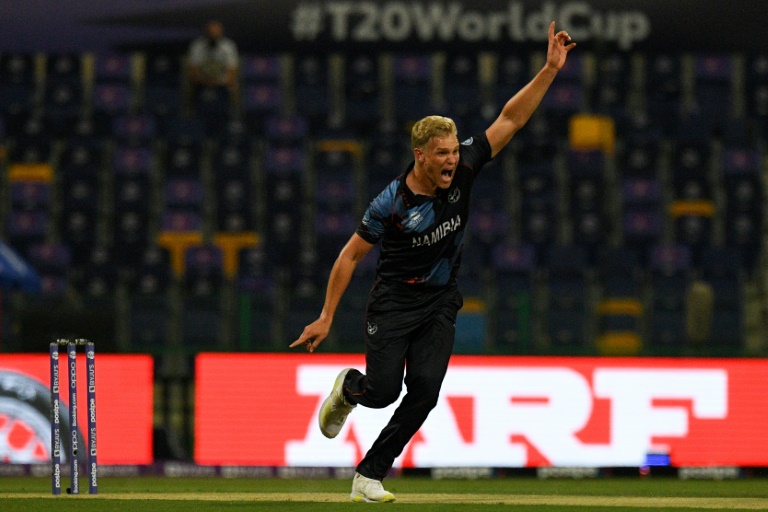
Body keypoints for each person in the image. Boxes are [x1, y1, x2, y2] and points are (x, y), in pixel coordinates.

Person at [290, 22, 575, 503]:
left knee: (424, 391)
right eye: (441, 153)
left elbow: (510, 120)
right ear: (420, 155)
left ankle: (369, 475)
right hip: (393, 304)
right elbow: (350, 254)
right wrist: (326, 316)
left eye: (454, 150)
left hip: (440, 302)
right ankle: (349, 389)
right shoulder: (391, 203)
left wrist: (549, 70)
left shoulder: (464, 167)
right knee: (382, 392)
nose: (451, 160)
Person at [187, 20, 240, 108]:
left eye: (216, 32)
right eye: (211, 32)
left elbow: (232, 73)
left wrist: (218, 82)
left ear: (221, 32)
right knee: (192, 88)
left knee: (233, 87)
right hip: (202, 85)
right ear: (206, 32)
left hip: (223, 85)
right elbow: (193, 72)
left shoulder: (229, 46)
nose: (213, 34)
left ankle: (232, 112)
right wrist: (207, 81)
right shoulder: (197, 46)